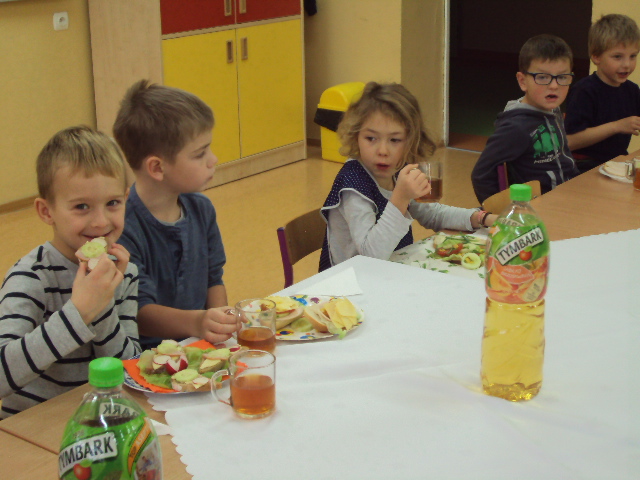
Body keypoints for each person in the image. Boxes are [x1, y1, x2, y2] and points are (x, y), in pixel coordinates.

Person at [0, 126, 140, 418]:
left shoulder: (124, 272)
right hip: (33, 426)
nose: (100, 222)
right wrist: (79, 312)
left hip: (97, 422)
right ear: (46, 211)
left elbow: (129, 369)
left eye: (113, 203)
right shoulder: (31, 276)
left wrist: (103, 305)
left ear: (126, 198)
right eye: (81, 206)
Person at [319, 82, 497, 271]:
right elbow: (371, 255)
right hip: (350, 280)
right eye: (371, 138)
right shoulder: (352, 185)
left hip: (389, 270)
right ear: (356, 137)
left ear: (411, 141)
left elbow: (433, 214)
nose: (383, 151)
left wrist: (483, 218)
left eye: (395, 140)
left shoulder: (399, 169)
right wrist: (400, 198)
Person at [113, 80, 238, 349]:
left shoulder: (202, 209)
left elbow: (213, 279)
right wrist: (199, 323)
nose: (213, 159)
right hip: (147, 356)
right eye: (200, 154)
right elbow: (139, 313)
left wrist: (220, 323)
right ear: (157, 168)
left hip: (200, 343)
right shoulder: (122, 226)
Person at [471, 34, 580, 204]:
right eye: (542, 77)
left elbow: (565, 162)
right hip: (540, 207)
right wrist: (500, 212)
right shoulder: (516, 127)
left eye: (562, 77)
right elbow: (481, 174)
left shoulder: (554, 110)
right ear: (522, 81)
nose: (554, 85)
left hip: (568, 195)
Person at [565, 14, 640, 173]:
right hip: (583, 167)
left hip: (618, 164)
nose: (627, 64)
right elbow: (570, 141)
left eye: (633, 56)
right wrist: (617, 126)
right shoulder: (584, 91)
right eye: (617, 57)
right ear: (596, 57)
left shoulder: (632, 90)